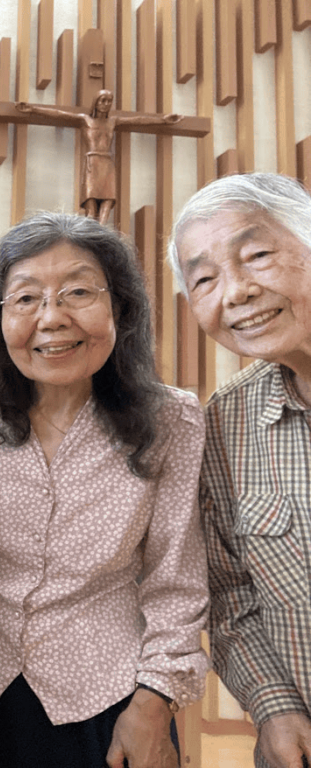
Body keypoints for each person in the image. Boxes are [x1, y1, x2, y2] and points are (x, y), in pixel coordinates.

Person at [0, 212, 209, 768]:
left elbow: (177, 583)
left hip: (108, 701)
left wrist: (153, 705)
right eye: (25, 299)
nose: (52, 318)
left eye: (78, 292)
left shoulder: (173, 422)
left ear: (121, 308)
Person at [168, 172, 311, 768]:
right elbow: (230, 594)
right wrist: (274, 707)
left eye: (257, 256)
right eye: (205, 279)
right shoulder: (225, 422)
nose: (236, 292)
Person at [15, 90, 181, 225]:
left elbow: (139, 120)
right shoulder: (85, 119)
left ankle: (101, 233)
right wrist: (33, 109)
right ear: (96, 102)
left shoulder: (113, 121)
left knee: (108, 201)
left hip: (107, 162)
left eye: (109, 101)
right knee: (91, 203)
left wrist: (162, 120)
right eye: (103, 100)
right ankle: (90, 232)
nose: (106, 104)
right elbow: (58, 114)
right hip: (93, 162)